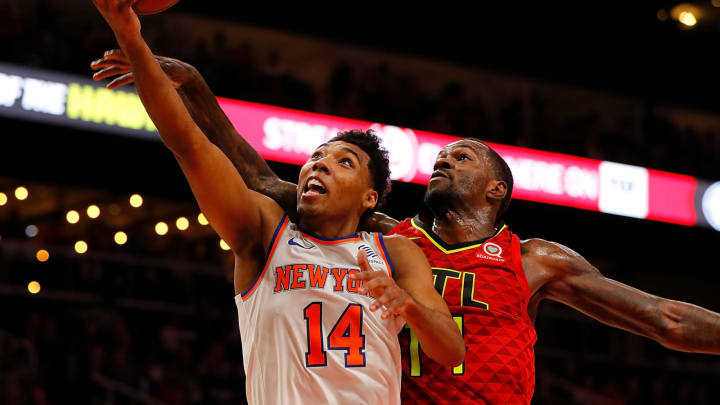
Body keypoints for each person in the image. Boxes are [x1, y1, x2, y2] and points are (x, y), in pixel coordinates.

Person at [91, 48, 720, 404]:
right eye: (441, 155)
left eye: (463, 156)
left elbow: (662, 318)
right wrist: (197, 89)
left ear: (497, 190)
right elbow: (258, 179)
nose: (444, 158)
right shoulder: (387, 238)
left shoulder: (536, 259)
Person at [88, 2, 464, 405]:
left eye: (344, 162)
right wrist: (131, 36)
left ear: (369, 197)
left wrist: (407, 305)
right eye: (316, 158)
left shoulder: (396, 254)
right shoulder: (266, 231)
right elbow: (191, 147)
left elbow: (452, 351)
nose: (320, 165)